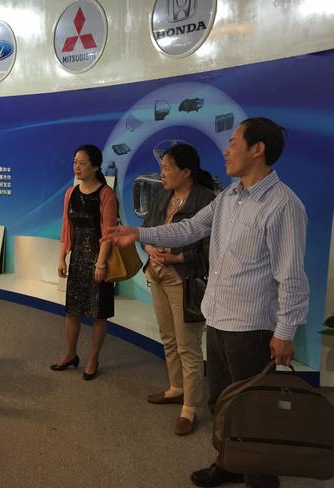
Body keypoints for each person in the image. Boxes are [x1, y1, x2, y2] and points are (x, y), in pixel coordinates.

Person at [102, 118, 309, 488]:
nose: (226, 151)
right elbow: (190, 228)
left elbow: (291, 275)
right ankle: (229, 462)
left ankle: (261, 479)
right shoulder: (229, 197)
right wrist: (140, 232)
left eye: (233, 143)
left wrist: (285, 331)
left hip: (251, 328)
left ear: (257, 149)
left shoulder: (283, 205)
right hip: (217, 318)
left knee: (252, 410)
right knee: (222, 402)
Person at [142, 143, 216, 436]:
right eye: (161, 168)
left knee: (188, 345)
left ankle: (190, 407)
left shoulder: (206, 200)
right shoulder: (163, 195)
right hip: (157, 275)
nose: (161, 173)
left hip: (183, 281)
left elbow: (210, 250)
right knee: (168, 338)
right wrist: (150, 247)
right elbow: (146, 230)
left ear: (186, 172)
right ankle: (175, 388)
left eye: (167, 168)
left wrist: (178, 258)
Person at [52, 144, 118, 380]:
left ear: (96, 166)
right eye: (75, 162)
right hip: (78, 259)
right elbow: (66, 227)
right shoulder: (71, 193)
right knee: (72, 311)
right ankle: (70, 354)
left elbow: (108, 233)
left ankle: (93, 358)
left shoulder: (106, 194)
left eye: (82, 163)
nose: (77, 167)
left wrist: (100, 264)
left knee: (98, 313)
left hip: (99, 260)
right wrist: (62, 257)